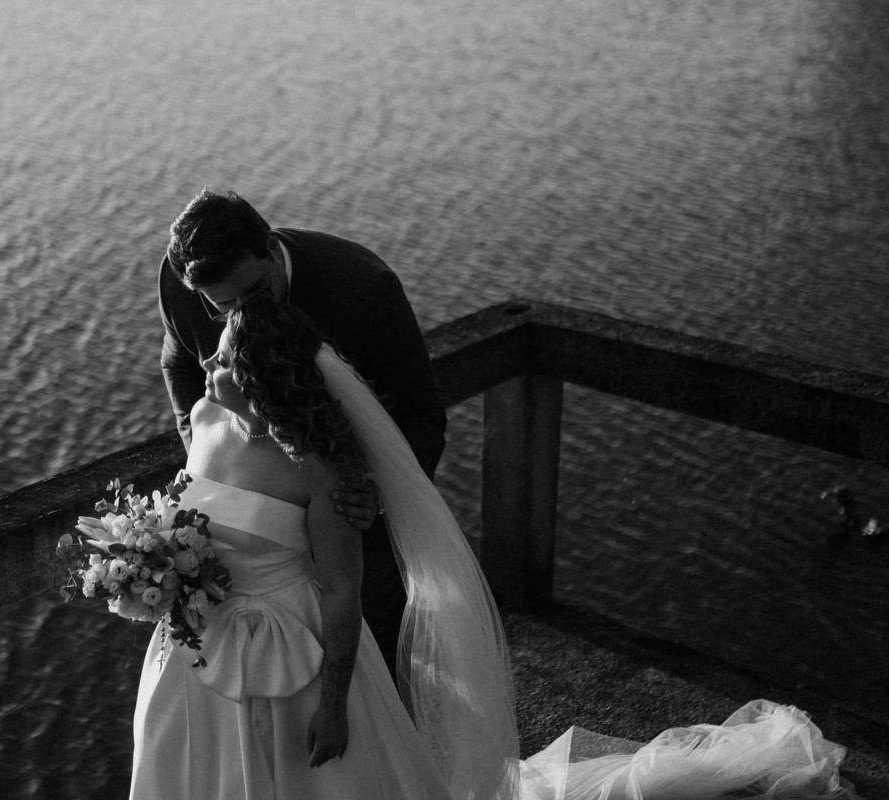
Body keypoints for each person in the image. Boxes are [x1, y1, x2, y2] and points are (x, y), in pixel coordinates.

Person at [129, 298, 852, 800]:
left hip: (298, 653)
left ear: (261, 376)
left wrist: (336, 705)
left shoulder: (319, 471)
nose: (208, 362)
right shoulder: (206, 415)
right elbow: (194, 508)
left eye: (224, 357)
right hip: (198, 646)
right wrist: (151, 560)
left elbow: (342, 591)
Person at [158, 188, 446, 674]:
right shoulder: (178, 282)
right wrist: (202, 456)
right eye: (223, 306)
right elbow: (179, 362)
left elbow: (423, 414)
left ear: (271, 249)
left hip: (352, 511)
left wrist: (373, 494)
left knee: (374, 652)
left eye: (253, 294)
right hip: (259, 531)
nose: (240, 315)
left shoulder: (364, 289)